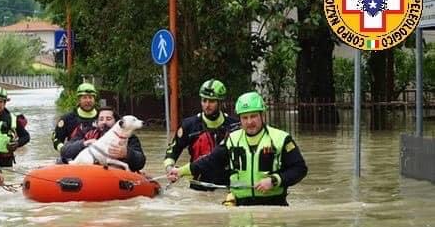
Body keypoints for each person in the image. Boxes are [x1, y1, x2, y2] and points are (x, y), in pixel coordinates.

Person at [167, 91, 307, 206]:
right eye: (245, 117)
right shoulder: (232, 139)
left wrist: (275, 180)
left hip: (273, 205)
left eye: (253, 116)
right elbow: (210, 161)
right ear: (239, 119)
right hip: (239, 205)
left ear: (262, 115)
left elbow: (300, 169)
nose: (249, 122)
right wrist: (180, 171)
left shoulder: (281, 138)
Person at [164, 78, 240, 190]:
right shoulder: (189, 125)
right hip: (198, 185)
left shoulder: (234, 126)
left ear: (220, 102)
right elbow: (173, 150)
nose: (207, 105)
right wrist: (170, 168)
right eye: (204, 100)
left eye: (212, 101)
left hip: (226, 185)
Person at [60, 107, 146, 171]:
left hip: (114, 175)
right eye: (101, 119)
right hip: (85, 171)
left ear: (117, 122)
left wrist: (127, 154)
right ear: (97, 122)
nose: (104, 122)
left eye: (108, 119)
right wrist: (84, 143)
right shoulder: (86, 133)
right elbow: (64, 151)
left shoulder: (130, 138)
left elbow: (141, 162)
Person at [52, 81, 99, 158]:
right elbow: (56, 139)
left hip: (97, 158)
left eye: (90, 97)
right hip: (74, 159)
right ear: (79, 100)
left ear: (94, 99)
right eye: (84, 97)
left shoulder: (102, 117)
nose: (88, 101)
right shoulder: (68, 118)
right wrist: (65, 150)